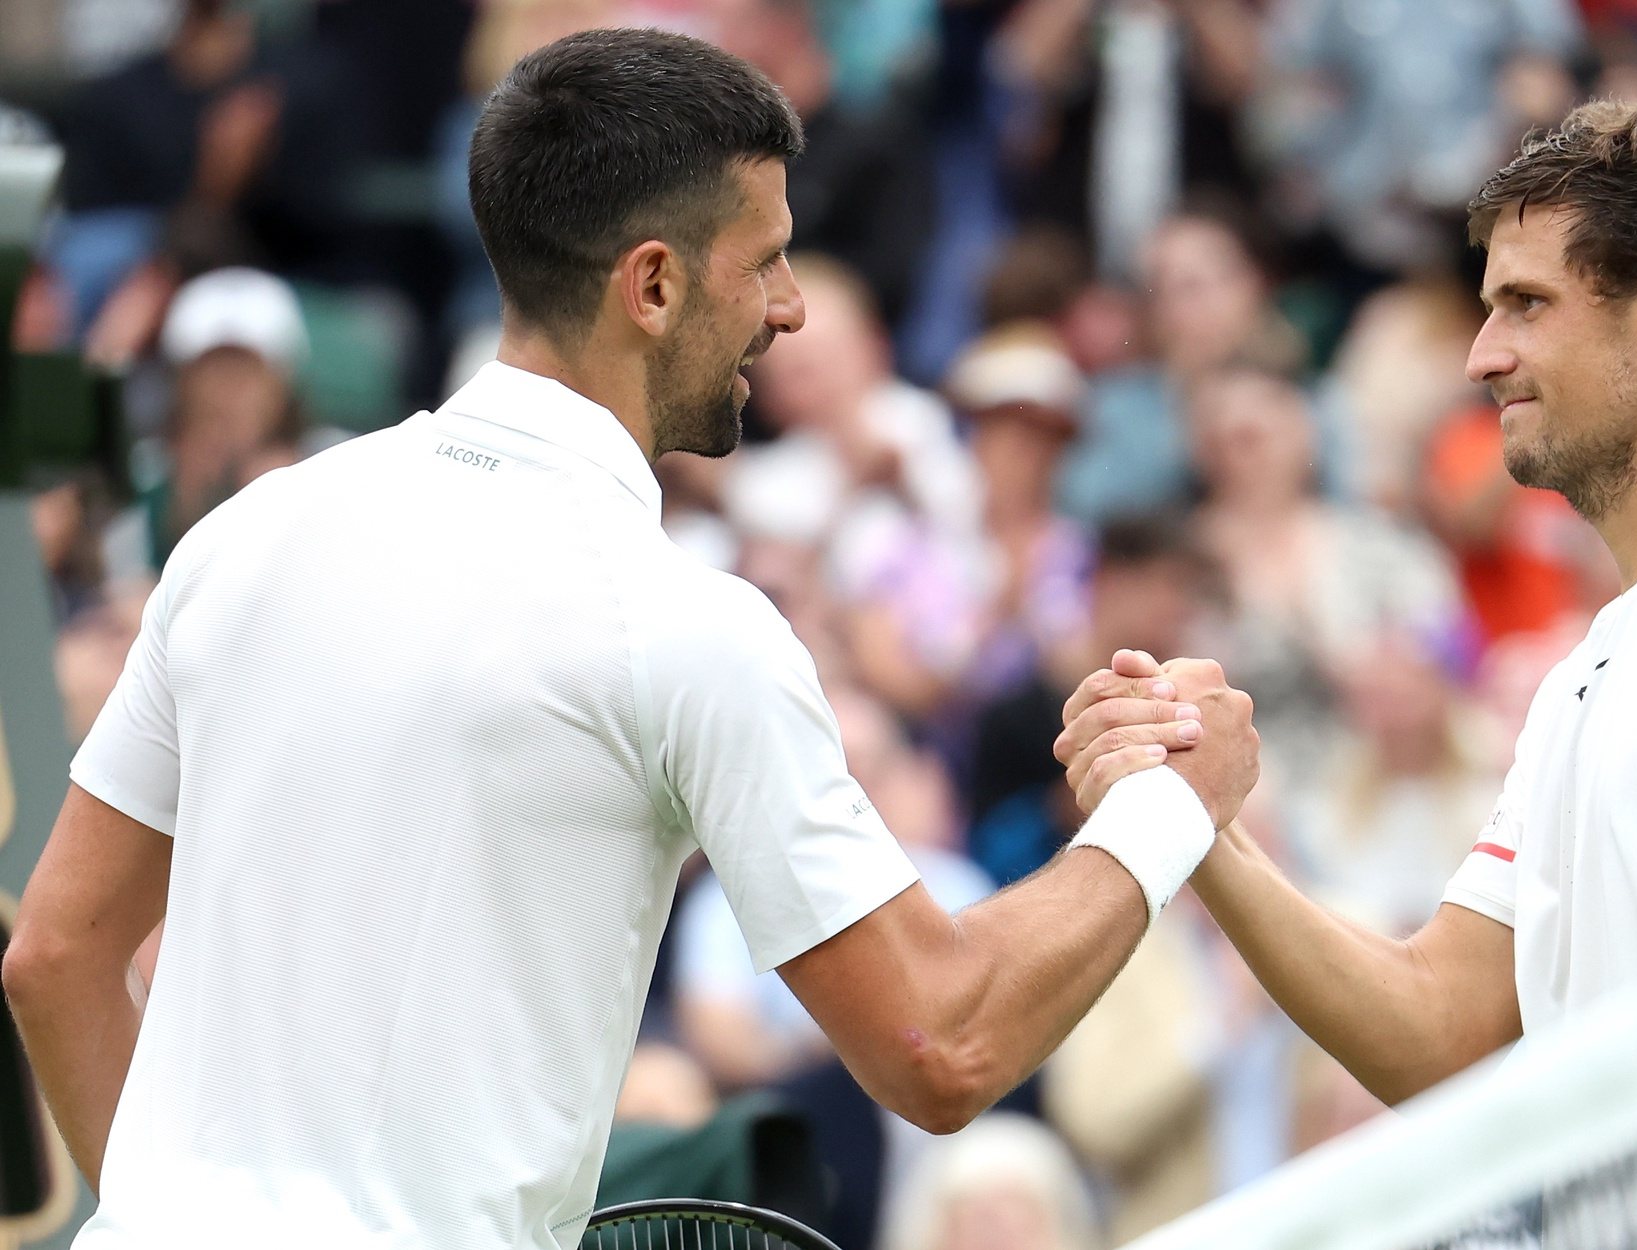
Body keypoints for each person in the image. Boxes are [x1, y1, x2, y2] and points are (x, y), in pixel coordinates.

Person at [0, 29, 1260, 1250]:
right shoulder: (688, 628)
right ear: (651, 284)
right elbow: (942, 1043)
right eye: (764, 261)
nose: (792, 307)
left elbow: (54, 956)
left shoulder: (237, 538)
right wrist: (1165, 809)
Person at [1058, 95, 1637, 1248]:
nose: (1482, 356)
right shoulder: (1585, 674)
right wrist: (1198, 829)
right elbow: (1442, 1031)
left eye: (1524, 303)